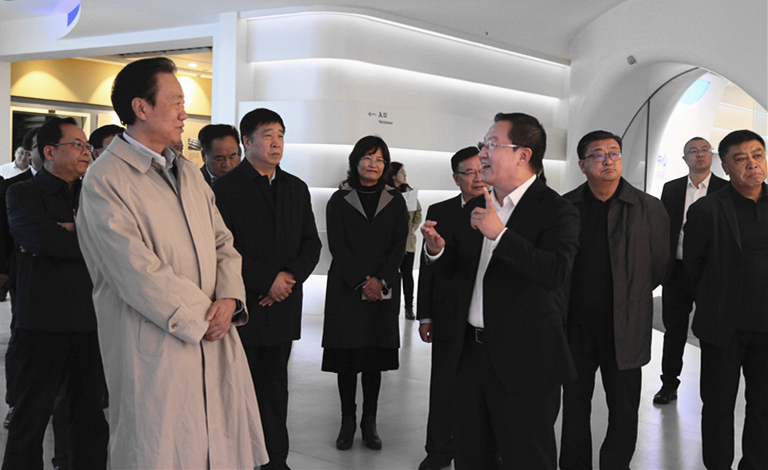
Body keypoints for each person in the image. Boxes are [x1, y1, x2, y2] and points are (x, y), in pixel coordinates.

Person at [76, 57, 268, 469]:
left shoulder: (189, 173)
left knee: (216, 445)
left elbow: (223, 242)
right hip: (158, 342)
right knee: (161, 448)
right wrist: (205, 315)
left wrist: (230, 298)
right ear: (141, 108)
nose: (185, 113)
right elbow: (134, 270)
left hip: (213, 333)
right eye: (176, 102)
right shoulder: (106, 180)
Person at [421, 113, 580, 469]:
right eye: (483, 145)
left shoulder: (557, 210)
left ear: (523, 155)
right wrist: (437, 251)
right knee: (471, 455)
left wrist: (501, 236)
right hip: (470, 356)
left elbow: (554, 272)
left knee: (528, 457)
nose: (482, 153)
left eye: (492, 144)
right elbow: (459, 272)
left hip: (526, 361)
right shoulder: (478, 205)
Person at [213, 108, 321, 470]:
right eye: (267, 135)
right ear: (247, 141)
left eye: (280, 135)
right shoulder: (225, 189)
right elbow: (222, 248)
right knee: (237, 389)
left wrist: (288, 278)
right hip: (244, 306)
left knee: (276, 388)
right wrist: (266, 281)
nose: (276, 143)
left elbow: (311, 243)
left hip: (283, 305)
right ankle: (239, 458)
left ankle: (276, 459)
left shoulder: (295, 187)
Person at [1, 116, 109, 470]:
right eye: (76, 145)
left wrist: (71, 232)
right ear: (49, 152)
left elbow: (115, 244)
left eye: (86, 145)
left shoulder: (94, 194)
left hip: (90, 322)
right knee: (30, 417)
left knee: (88, 417)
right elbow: (40, 239)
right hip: (41, 323)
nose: (86, 151)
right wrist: (83, 237)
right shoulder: (22, 192)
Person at [559, 130, 669, 470]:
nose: (608, 160)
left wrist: (629, 295)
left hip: (626, 324)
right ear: (582, 165)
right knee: (575, 404)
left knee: (623, 407)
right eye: (598, 154)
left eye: (614, 153)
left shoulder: (648, 207)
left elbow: (659, 265)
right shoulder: (565, 207)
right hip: (575, 325)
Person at [684, 129, 768, 469]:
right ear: (726, 166)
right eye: (741, 158)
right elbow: (693, 268)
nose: (752, 164)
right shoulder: (707, 210)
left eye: (757, 155)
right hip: (723, 328)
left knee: (763, 407)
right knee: (718, 406)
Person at [322, 135, 408, 451]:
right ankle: (347, 421)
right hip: (346, 289)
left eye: (380, 159)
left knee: (374, 358)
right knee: (347, 359)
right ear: (355, 161)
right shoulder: (339, 199)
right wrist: (362, 281)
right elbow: (337, 245)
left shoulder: (395, 200)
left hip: (382, 290)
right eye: (368, 158)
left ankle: (369, 423)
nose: (374, 164)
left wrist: (380, 280)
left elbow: (399, 245)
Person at [416, 145, 487, 470]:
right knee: (444, 384)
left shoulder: (500, 210)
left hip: (486, 315)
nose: (477, 178)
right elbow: (427, 268)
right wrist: (425, 315)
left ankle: (484, 450)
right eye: (469, 172)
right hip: (448, 312)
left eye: (481, 170)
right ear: (456, 178)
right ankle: (439, 451)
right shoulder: (440, 210)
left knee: (483, 389)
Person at [654, 137, 727, 405]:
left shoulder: (725, 189)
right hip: (677, 270)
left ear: (712, 155)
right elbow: (663, 228)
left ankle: (713, 388)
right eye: (693, 151)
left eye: (704, 150)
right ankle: (668, 385)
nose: (699, 154)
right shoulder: (671, 188)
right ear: (685, 158)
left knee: (710, 331)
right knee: (674, 330)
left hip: (710, 272)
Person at [1, 127, 39, 429]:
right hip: (21, 276)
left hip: (67, 282)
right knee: (22, 339)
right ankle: (16, 403)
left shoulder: (80, 187)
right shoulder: (12, 187)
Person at [387, 161, 422, 319]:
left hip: (408, 243)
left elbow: (418, 213)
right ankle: (390, 306)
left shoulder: (409, 192)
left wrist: (413, 227)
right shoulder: (385, 193)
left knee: (407, 276)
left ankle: (409, 307)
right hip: (390, 244)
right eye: (402, 172)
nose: (405, 174)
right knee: (390, 275)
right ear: (393, 175)